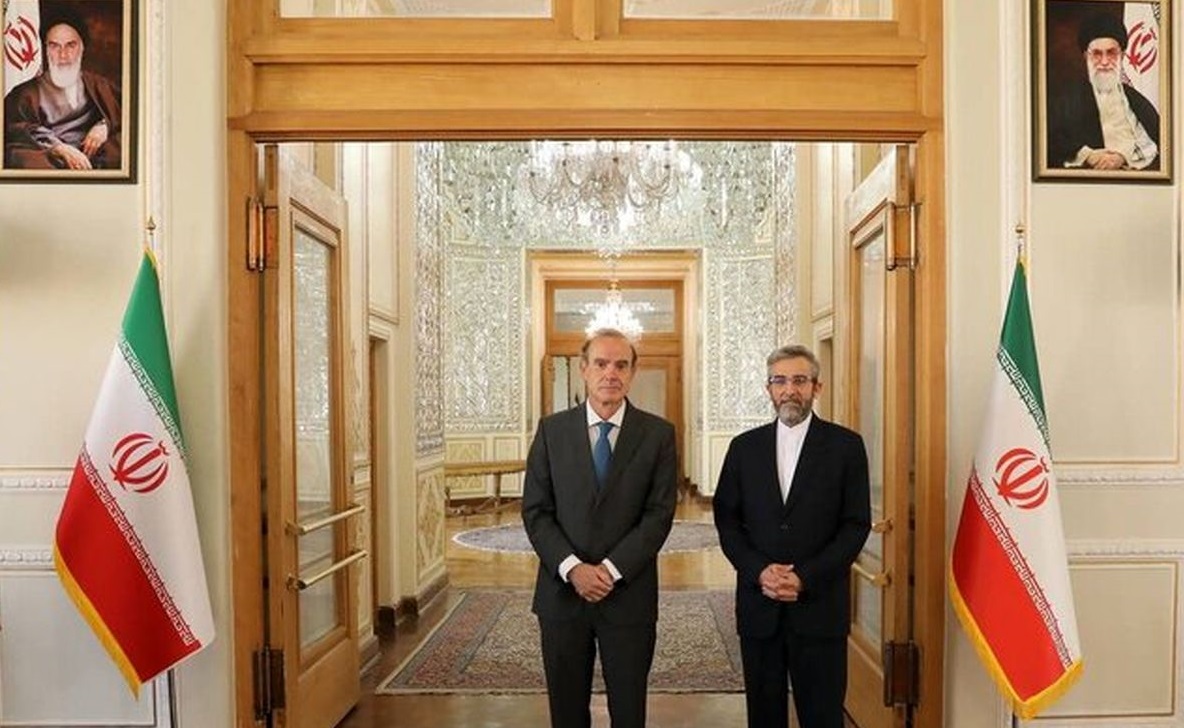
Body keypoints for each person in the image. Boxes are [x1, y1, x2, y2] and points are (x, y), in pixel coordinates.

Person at [522, 327, 678, 728]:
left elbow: (658, 515)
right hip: (562, 595)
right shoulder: (551, 431)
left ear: (633, 373)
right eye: (602, 363)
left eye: (621, 365)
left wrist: (609, 570)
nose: (611, 373)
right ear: (584, 369)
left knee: (628, 711)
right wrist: (574, 568)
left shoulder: (658, 434)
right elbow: (536, 511)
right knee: (567, 713)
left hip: (628, 595)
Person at [712, 344, 871, 728]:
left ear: (817, 387)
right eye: (780, 381)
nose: (789, 390)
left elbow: (855, 525)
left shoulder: (846, 446)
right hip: (759, 606)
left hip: (819, 607)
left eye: (800, 380)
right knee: (764, 716)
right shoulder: (743, 448)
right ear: (768, 388)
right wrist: (759, 571)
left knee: (823, 716)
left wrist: (804, 577)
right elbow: (727, 521)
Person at [4, 8, 121, 170]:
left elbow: (129, 113)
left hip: (94, 158)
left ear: (82, 48)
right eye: (54, 46)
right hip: (49, 159)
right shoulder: (24, 93)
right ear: (46, 49)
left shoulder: (100, 86)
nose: (63, 55)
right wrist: (58, 148)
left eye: (70, 46)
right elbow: (13, 128)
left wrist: (104, 126)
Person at [1046, 12, 1159, 171]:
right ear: (1086, 57)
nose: (1104, 62)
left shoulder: (1136, 101)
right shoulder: (1065, 100)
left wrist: (1123, 157)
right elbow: (1050, 140)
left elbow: (1156, 143)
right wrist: (1088, 156)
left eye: (1111, 53)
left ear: (1122, 56)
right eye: (1097, 54)